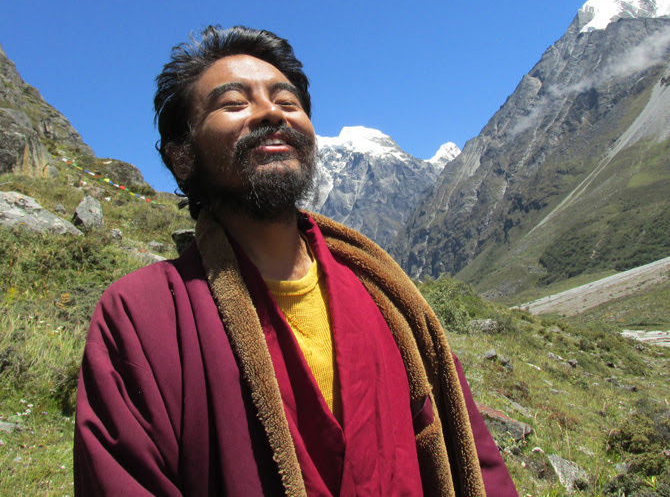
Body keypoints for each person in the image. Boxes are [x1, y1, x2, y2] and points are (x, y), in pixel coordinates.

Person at [73, 25, 518, 496]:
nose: (270, 112)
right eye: (233, 103)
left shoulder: (385, 296)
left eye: (288, 103)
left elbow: (470, 453)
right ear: (183, 157)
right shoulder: (141, 315)